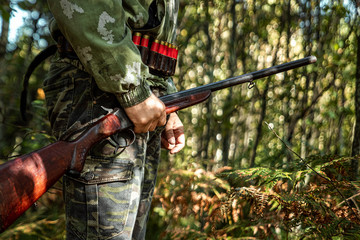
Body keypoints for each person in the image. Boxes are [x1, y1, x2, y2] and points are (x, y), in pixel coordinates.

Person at [43, 0, 184, 239]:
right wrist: (131, 88)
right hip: (103, 85)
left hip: (139, 90)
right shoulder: (125, 84)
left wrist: (165, 99)